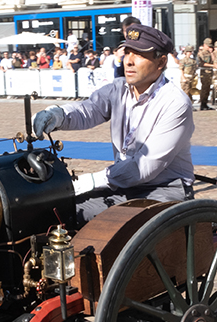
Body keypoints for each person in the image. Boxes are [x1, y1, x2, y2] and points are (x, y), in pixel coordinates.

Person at [31, 23, 193, 223]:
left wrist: (88, 181)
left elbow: (145, 167)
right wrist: (58, 115)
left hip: (163, 189)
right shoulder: (118, 88)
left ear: (161, 62)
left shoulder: (175, 103)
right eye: (127, 52)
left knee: (81, 215)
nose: (129, 61)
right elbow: (89, 110)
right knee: (60, 207)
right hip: (123, 183)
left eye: (140, 54)